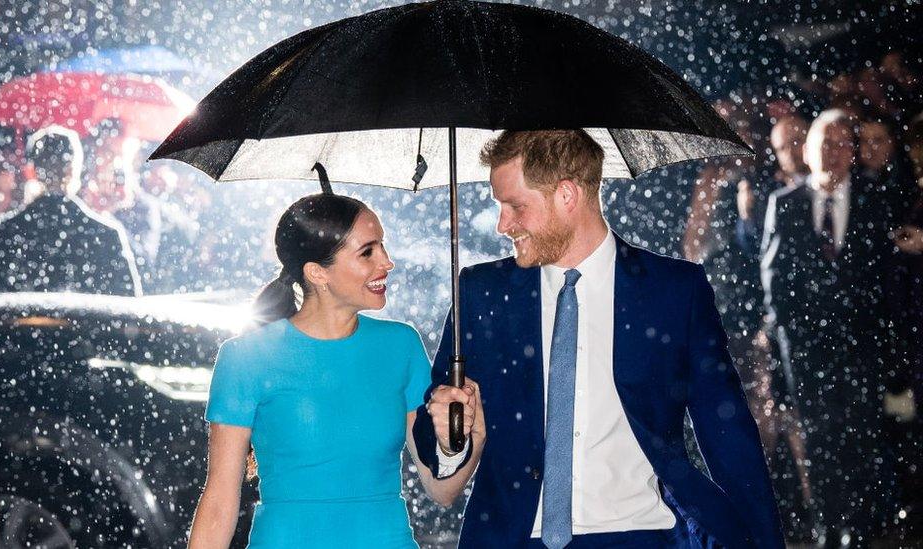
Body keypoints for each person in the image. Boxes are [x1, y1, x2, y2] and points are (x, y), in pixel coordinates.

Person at [413, 130, 784, 548]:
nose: (503, 224)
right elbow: (436, 431)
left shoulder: (675, 291)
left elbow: (726, 431)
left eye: (515, 206)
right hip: (513, 538)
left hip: (643, 535)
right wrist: (448, 440)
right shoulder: (481, 292)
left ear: (567, 195)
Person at [187, 192, 485, 549]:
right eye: (368, 252)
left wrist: (463, 440)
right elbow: (220, 501)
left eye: (383, 247)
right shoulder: (244, 358)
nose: (387, 263)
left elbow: (442, 490)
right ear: (317, 273)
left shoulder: (401, 346)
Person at [760, 109, 900, 545]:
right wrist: (784, 347)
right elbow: (773, 282)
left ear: (854, 153)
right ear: (807, 150)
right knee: (818, 443)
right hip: (806, 351)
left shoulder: (875, 201)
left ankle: (857, 530)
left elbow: (888, 281)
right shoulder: (784, 204)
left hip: (862, 346)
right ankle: (826, 526)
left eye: (843, 144)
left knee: (861, 438)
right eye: (826, 143)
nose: (834, 153)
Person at [0, 125, 141, 296]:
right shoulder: (104, 234)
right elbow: (127, 307)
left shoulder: (2, 233)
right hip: (85, 326)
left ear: (32, 172)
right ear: (75, 170)